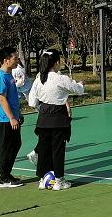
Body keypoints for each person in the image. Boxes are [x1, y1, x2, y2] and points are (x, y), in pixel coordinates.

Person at [27, 49, 85, 191]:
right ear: (57, 62)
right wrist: (80, 84)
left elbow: (32, 102)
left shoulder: (39, 78)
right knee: (58, 150)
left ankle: (42, 179)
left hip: (43, 117)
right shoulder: (60, 78)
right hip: (58, 116)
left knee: (44, 149)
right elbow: (78, 90)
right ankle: (59, 180)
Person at [0, 46, 24, 188]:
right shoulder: (0, 77)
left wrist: (18, 114)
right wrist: (11, 117)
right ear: (6, 60)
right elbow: (2, 99)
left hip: (12, 117)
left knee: (16, 144)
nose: (17, 60)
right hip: (4, 119)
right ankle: (3, 178)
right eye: (14, 58)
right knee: (6, 147)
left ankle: (7, 173)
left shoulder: (9, 74)